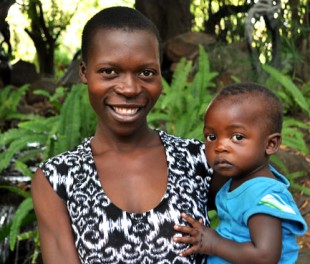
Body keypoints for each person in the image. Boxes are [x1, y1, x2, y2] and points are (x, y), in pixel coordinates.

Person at [31, 6, 215, 264]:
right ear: (83, 72)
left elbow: (262, 213)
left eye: (146, 72)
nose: (129, 88)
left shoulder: (199, 159)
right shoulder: (57, 180)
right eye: (109, 71)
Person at [173, 83, 308, 263]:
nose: (220, 146)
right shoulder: (238, 183)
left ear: (270, 145)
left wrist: (214, 244)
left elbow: (265, 256)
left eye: (237, 137)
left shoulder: (263, 194)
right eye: (211, 137)